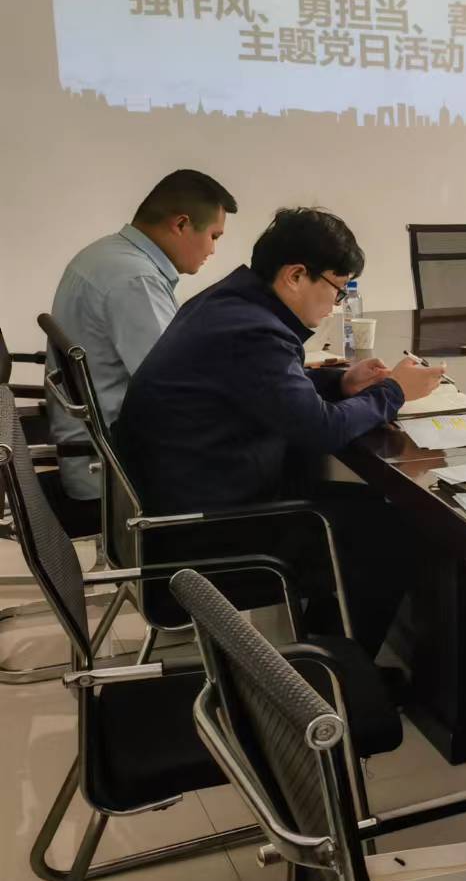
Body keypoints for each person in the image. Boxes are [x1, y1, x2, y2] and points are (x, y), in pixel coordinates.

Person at [117, 207, 444, 654]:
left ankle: (323, 654)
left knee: (372, 514)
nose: (336, 304)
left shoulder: (228, 304)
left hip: (180, 509)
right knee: (391, 534)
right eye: (337, 290)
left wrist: (340, 383)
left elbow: (260, 388)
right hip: (202, 538)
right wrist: (394, 391)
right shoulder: (255, 331)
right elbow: (322, 430)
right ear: (295, 276)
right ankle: (331, 671)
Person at [44, 169, 238, 518]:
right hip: (116, 473)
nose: (212, 249)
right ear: (181, 224)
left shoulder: (105, 255)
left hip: (95, 456)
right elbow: (180, 390)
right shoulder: (136, 280)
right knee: (267, 464)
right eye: (214, 236)